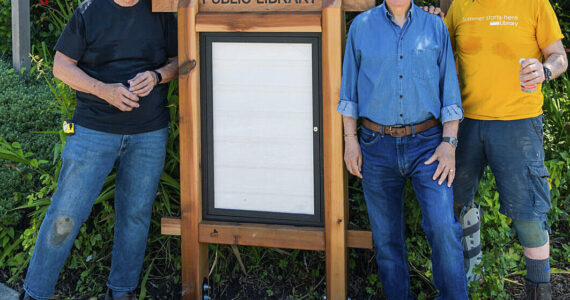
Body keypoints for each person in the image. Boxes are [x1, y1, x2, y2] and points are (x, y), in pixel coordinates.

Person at [19, 0, 178, 299]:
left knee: (136, 215)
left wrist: (158, 76)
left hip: (149, 132)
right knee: (65, 213)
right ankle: (35, 292)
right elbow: (61, 66)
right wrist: (104, 91)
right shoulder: (89, 11)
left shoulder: (160, 12)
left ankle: (121, 291)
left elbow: (180, 60)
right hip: (93, 131)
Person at [337, 0, 468, 298]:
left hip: (429, 146)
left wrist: (449, 142)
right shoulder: (361, 27)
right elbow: (349, 89)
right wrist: (350, 139)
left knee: (444, 228)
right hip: (375, 145)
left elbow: (450, 89)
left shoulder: (434, 27)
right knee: (385, 239)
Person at [443, 0, 568, 298]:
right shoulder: (460, 6)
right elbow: (438, 51)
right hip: (465, 121)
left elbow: (559, 56)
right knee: (453, 202)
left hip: (518, 123)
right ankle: (469, 280)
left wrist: (545, 70)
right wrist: (434, 18)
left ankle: (539, 290)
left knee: (528, 211)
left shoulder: (535, 4)